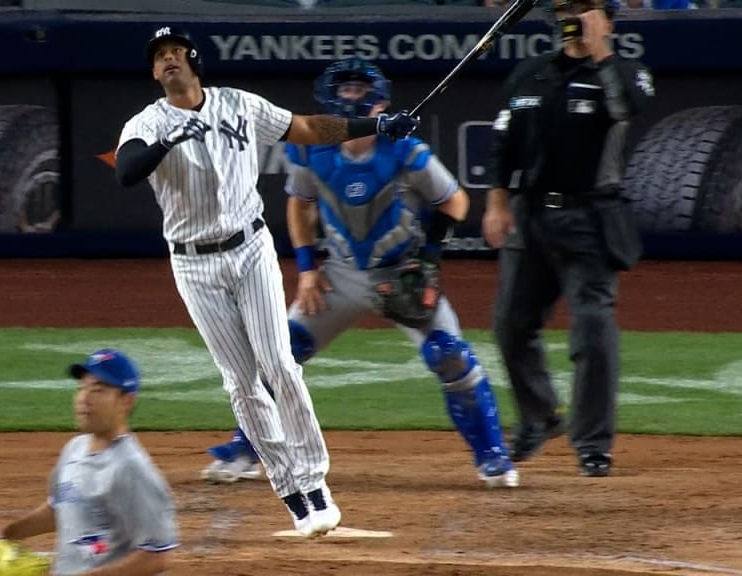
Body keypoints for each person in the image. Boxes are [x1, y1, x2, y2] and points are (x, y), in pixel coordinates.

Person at [114, 26, 418, 537]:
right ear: (153, 72)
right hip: (194, 266)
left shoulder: (239, 105)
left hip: (251, 249)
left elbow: (309, 128)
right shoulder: (146, 123)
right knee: (241, 382)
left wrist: (379, 124)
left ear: (193, 61)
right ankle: (290, 492)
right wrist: (165, 140)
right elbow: (126, 171)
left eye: (174, 53)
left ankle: (314, 481)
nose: (167, 61)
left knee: (279, 363)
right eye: (158, 57)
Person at [202, 57, 520, 490]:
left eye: (359, 90)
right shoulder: (311, 147)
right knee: (282, 354)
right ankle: (247, 449)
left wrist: (427, 259)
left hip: (399, 274)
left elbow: (456, 203)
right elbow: (300, 204)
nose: (351, 97)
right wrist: (308, 270)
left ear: (379, 104)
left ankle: (493, 457)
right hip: (341, 274)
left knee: (450, 356)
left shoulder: (405, 149)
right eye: (344, 90)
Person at [483, 0, 653, 477]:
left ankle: (593, 443)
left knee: (593, 332)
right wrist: (497, 203)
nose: (570, 18)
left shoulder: (626, 73)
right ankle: (538, 417)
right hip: (529, 215)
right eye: (563, 10)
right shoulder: (531, 74)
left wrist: (600, 51)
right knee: (510, 326)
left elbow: (626, 109)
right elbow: (504, 141)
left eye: (582, 8)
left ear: (606, 18)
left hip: (591, 219)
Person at [0, 349, 178, 576]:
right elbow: (61, 507)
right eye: (82, 388)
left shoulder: (132, 470)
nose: (84, 398)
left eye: (98, 390)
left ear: (127, 401)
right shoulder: (74, 448)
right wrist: (9, 533)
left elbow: (157, 557)